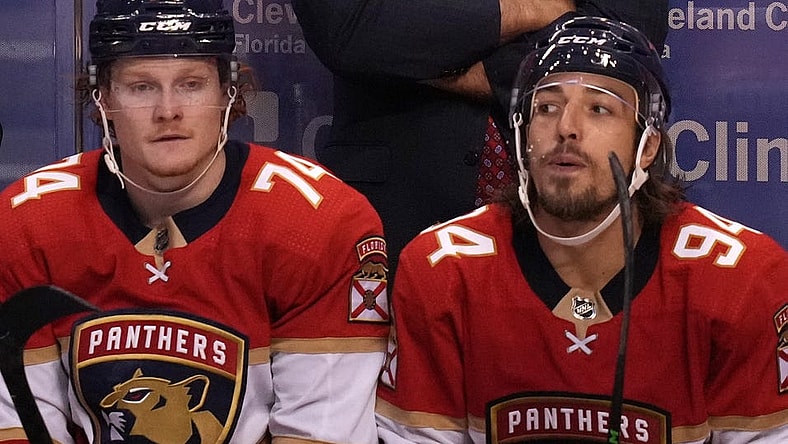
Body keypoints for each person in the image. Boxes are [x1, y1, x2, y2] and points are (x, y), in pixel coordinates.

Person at [375, 16, 788, 443]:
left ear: (646, 146)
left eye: (600, 108)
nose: (566, 128)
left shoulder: (741, 277)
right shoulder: (445, 269)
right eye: (546, 107)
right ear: (521, 137)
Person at [0, 1, 389, 442]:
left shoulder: (321, 222)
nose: (168, 110)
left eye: (191, 84)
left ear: (229, 92)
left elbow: (318, 434)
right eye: (141, 87)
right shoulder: (26, 223)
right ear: (103, 98)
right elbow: (18, 426)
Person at [292, 0, 669, 279]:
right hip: (392, 215)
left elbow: (621, 37)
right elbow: (351, 32)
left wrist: (425, 66)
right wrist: (534, 9)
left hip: (575, 222)